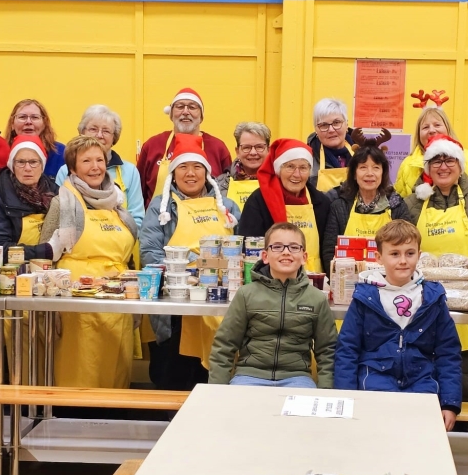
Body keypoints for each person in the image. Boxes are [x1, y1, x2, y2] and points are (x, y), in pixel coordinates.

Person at [334, 220, 462, 430]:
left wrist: (450, 402)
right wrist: (346, 398)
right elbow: (347, 350)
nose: (403, 260)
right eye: (394, 254)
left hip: (422, 383)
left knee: (420, 444)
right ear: (379, 257)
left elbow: (448, 353)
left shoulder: (433, 298)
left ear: (419, 255)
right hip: (373, 383)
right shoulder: (364, 298)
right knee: (377, 442)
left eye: (409, 253)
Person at [140, 134, 240, 389]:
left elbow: (241, 248)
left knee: (215, 377)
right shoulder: (161, 207)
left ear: (207, 173)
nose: (190, 173)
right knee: (175, 378)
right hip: (177, 306)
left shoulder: (227, 207)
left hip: (222, 305)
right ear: (173, 174)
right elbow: (150, 252)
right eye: (183, 167)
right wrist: (192, 268)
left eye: (197, 167)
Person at [404, 134, 468, 405]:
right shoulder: (411, 205)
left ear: (461, 165)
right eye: (436, 161)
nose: (443, 166)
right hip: (422, 308)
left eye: (449, 160)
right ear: (427, 167)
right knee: (426, 394)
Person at [41, 136, 139, 388]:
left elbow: (129, 256)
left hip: (117, 302)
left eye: (99, 160)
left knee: (115, 374)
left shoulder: (118, 204)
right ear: (72, 168)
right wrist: (47, 309)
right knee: (78, 375)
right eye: (86, 161)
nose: (95, 166)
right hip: (75, 304)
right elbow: (44, 257)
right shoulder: (62, 203)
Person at [209, 222, 337, 388]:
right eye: (277, 247)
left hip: (297, 378)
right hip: (248, 376)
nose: (285, 252)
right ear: (265, 256)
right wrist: (216, 391)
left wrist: (326, 392)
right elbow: (224, 346)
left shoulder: (316, 299)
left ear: (304, 257)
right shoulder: (246, 294)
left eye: (294, 247)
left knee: (302, 413)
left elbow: (328, 351)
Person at [237, 139, 331, 275]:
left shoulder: (321, 203)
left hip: (315, 280)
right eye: (290, 167)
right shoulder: (258, 201)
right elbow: (251, 249)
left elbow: (327, 247)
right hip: (273, 281)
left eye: (303, 168)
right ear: (278, 169)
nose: (297, 174)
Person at [321, 137, 410, 272]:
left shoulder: (396, 205)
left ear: (383, 173)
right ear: (355, 174)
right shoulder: (340, 206)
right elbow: (328, 251)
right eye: (363, 167)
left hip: (388, 284)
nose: (370, 174)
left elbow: (408, 246)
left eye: (376, 168)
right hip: (348, 283)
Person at [55, 105, 145, 229]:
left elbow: (138, 218)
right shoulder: (65, 170)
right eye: (93, 129)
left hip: (122, 245)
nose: (99, 135)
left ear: (114, 137)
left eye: (106, 131)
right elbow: (59, 215)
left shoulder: (130, 171)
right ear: (82, 132)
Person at [136, 87, 232, 204]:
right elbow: (138, 194)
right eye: (180, 107)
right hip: (159, 219)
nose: (185, 112)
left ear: (201, 116)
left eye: (192, 107)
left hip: (207, 219)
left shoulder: (218, 147)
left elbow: (227, 190)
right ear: (171, 115)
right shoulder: (153, 145)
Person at [0, 135, 62, 262]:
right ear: (12, 166)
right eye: (21, 162)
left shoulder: (58, 195)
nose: (27, 168)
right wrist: (44, 251)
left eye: (33, 162)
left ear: (42, 165)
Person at [394, 106, 468, 199]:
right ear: (419, 134)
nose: (432, 130)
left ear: (447, 129)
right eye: (425, 127)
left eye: (437, 125)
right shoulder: (408, 165)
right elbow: (399, 206)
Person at [6, 99, 66, 181]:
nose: (28, 122)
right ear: (12, 123)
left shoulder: (60, 153)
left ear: (44, 123)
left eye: (34, 117)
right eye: (22, 117)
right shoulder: (2, 150)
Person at [216, 121, 270, 211]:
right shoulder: (220, 184)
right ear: (237, 151)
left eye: (259, 147)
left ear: (268, 150)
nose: (253, 152)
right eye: (246, 147)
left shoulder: (281, 181)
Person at [306, 98, 354, 193]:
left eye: (336, 123)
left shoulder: (363, 154)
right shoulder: (307, 159)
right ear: (316, 129)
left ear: (346, 124)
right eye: (324, 125)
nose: (331, 130)